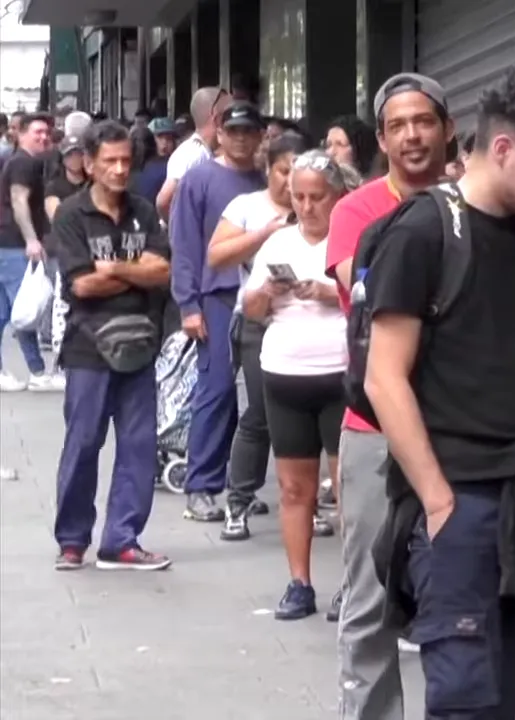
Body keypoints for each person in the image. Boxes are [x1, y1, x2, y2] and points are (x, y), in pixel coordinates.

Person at [360, 65, 515, 719]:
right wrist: (439, 503)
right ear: (502, 149)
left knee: (510, 697)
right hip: (461, 502)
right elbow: (384, 377)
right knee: (463, 702)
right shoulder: (424, 230)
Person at [325, 71, 453, 718]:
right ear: (381, 138)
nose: (412, 135)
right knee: (369, 596)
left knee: (458, 600)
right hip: (374, 427)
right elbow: (370, 292)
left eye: (423, 121)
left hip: (460, 429)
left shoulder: (471, 204)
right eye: (398, 125)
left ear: (447, 129)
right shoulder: (357, 209)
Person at [48, 120, 172, 571]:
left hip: (140, 344)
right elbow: (81, 284)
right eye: (110, 162)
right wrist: (136, 267)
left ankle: (122, 539)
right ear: (90, 163)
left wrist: (114, 268)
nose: (120, 170)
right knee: (83, 442)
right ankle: (72, 539)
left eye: (125, 161)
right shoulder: (70, 215)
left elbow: (163, 271)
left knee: (139, 444)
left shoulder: (142, 210)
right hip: (88, 348)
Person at [242, 150, 360, 618]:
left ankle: (353, 584)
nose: (308, 207)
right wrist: (266, 294)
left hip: (339, 370)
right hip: (284, 371)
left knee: (348, 487)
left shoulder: (353, 240)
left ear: (338, 197)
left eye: (318, 197)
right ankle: (299, 582)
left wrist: (332, 293)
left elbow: (373, 297)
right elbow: (250, 311)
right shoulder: (277, 243)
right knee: (295, 490)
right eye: (299, 197)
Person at [207, 131, 309, 541]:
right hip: (257, 321)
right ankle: (239, 499)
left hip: (310, 321)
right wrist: (267, 233)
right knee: (263, 412)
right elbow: (216, 256)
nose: (291, 182)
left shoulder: (319, 206)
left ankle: (307, 499)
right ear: (269, 169)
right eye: (284, 171)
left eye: (298, 173)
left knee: (309, 417)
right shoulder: (247, 206)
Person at [169, 101, 267, 523]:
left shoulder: (267, 178)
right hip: (219, 298)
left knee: (262, 399)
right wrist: (188, 305)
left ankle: (240, 486)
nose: (242, 138)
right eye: (234, 131)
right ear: (219, 133)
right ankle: (202, 486)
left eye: (250, 131)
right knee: (218, 391)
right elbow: (185, 245)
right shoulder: (199, 178)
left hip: (264, 296)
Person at [0, 111, 61, 392]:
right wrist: (31, 239)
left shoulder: (19, 161)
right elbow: (18, 200)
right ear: (20, 133)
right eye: (37, 132)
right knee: (24, 310)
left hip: (6, 243)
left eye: (47, 132)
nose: (44, 137)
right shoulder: (24, 163)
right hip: (14, 245)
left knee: (4, 312)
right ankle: (37, 371)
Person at [157, 86, 228, 217]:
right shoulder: (194, 154)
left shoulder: (204, 151)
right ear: (216, 117)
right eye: (227, 113)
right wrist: (182, 230)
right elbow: (163, 201)